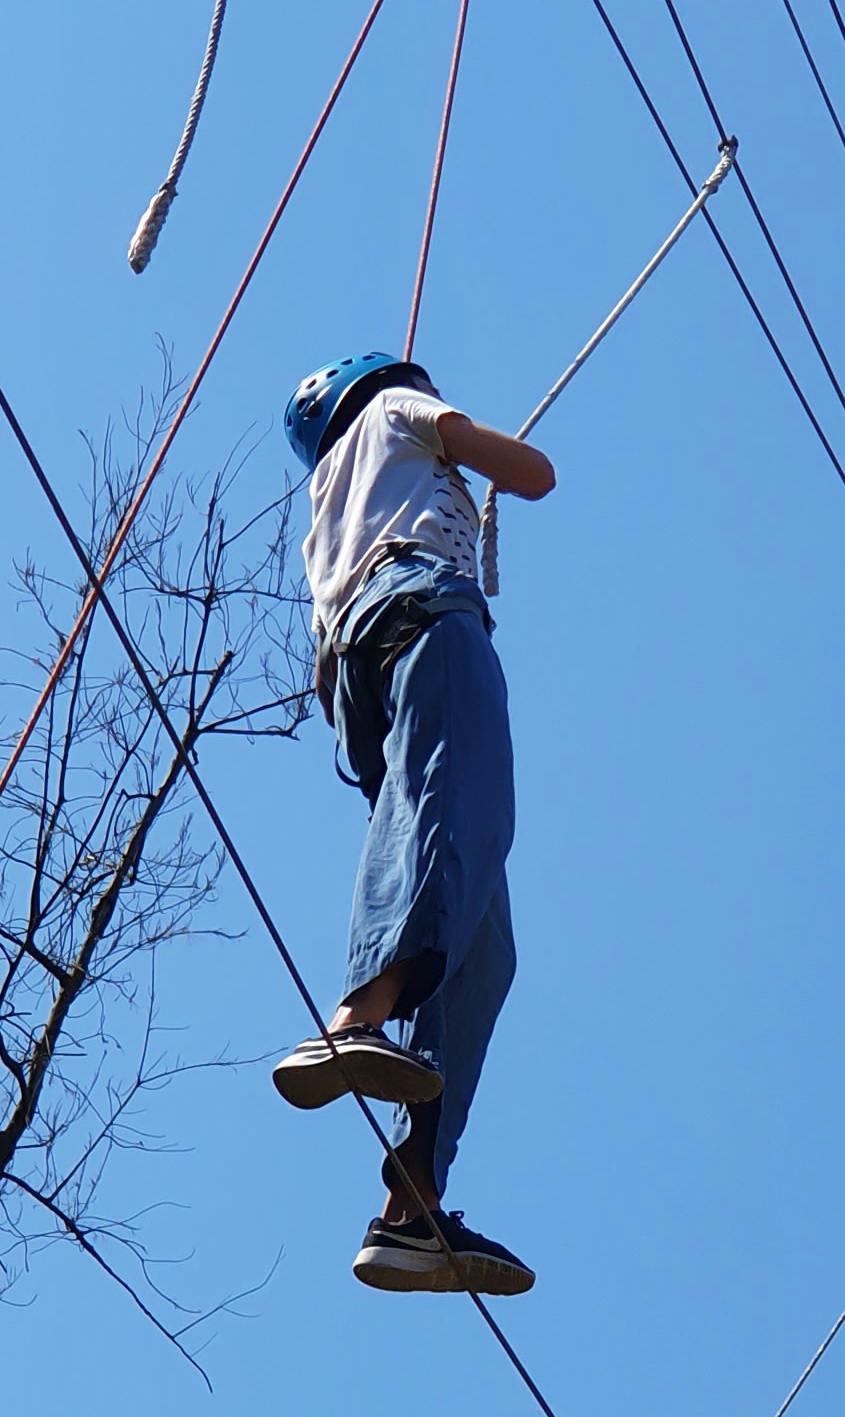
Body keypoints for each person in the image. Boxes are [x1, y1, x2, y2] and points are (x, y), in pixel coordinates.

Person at [271, 352, 554, 1296]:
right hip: (427, 620)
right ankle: (355, 1017)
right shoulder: (398, 409)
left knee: (483, 940)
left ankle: (412, 1204)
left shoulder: (321, 508)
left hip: (365, 672)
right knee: (450, 807)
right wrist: (475, 455)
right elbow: (533, 472)